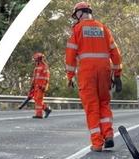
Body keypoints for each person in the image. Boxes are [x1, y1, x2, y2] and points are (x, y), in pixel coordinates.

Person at [64, 2, 123, 151]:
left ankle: (97, 143)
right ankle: (108, 135)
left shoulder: (77, 29)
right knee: (104, 103)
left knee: (92, 107)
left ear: (80, 13)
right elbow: (116, 54)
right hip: (104, 71)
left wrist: (70, 76)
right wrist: (117, 75)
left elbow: (70, 55)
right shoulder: (103, 28)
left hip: (87, 73)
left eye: (76, 15)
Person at [29, 52, 52, 119]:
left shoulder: (44, 67)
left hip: (41, 87)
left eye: (35, 59)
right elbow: (34, 78)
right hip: (36, 86)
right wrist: (32, 86)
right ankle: (47, 109)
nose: (35, 61)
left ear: (38, 59)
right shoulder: (37, 68)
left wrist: (44, 86)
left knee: (39, 99)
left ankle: (39, 114)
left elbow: (47, 77)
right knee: (36, 99)